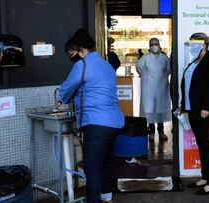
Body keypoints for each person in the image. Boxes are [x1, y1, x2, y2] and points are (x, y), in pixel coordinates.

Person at [59, 29, 125, 203]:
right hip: (115, 122)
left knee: (92, 168)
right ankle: (107, 198)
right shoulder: (107, 65)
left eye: (72, 53)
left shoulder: (82, 65)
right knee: (107, 162)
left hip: (97, 123)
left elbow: (66, 90)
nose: (72, 57)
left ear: (82, 50)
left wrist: (61, 96)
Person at [181, 32, 209, 195]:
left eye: (195, 44)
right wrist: (183, 105)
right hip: (193, 109)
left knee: (205, 144)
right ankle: (205, 177)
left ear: (204, 45)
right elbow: (188, 86)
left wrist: (206, 108)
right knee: (201, 143)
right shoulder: (193, 62)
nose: (192, 48)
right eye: (191, 44)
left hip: (207, 110)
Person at [136, 37, 171, 141]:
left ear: (159, 45)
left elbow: (168, 70)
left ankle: (161, 132)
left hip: (161, 87)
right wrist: (145, 76)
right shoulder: (145, 58)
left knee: (160, 109)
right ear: (149, 46)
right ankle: (151, 132)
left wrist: (163, 77)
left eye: (156, 44)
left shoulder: (164, 58)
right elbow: (138, 67)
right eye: (152, 44)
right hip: (149, 88)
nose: (154, 46)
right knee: (150, 109)